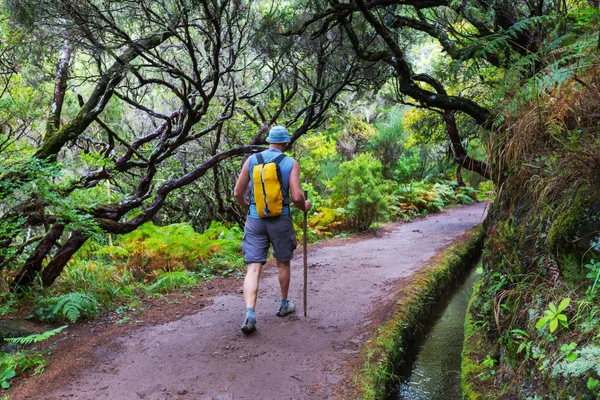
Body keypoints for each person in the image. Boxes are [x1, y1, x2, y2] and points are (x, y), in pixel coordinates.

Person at [233, 126, 311, 334]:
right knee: (282, 262)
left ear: (268, 141)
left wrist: (248, 207)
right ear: (285, 143)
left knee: (253, 267)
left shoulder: (252, 160)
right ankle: (284, 304)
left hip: (255, 219)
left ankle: (250, 314)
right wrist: (305, 206)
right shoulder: (290, 163)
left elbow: (237, 192)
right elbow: (296, 197)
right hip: (280, 219)